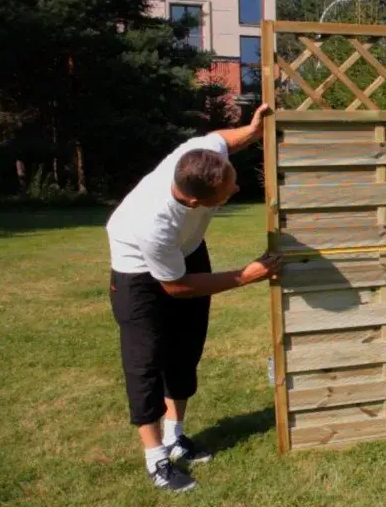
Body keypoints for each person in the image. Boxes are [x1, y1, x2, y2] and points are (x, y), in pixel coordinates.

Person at [105, 103, 282, 492]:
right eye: (228, 190)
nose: (236, 188)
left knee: (185, 349)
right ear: (194, 202)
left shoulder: (200, 157)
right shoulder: (155, 223)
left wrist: (251, 132)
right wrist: (243, 276)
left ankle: (176, 437)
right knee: (146, 361)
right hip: (138, 271)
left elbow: (223, 140)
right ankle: (156, 460)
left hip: (185, 251)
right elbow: (176, 288)